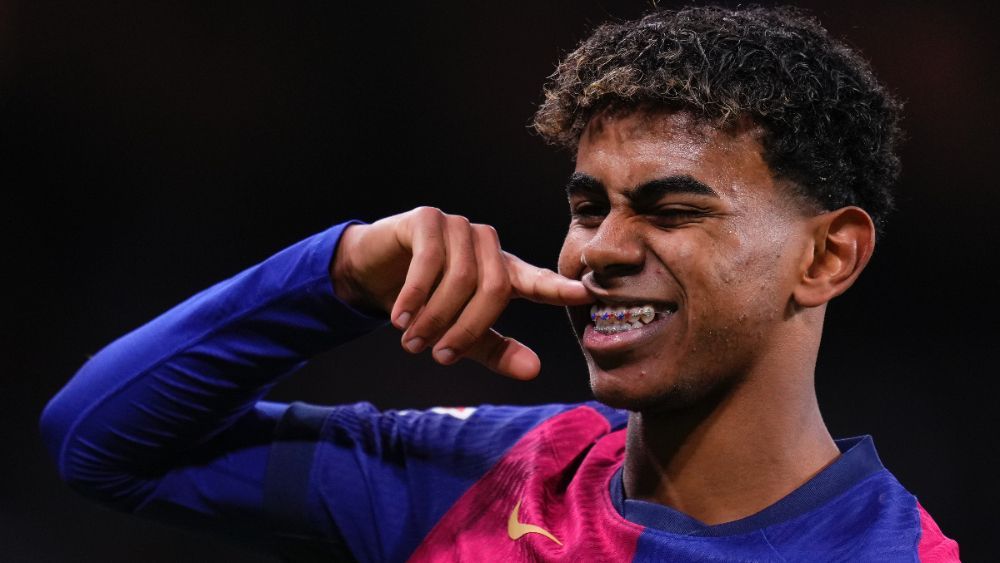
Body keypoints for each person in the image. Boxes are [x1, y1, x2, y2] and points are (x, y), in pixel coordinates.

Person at [40, 5, 960, 562]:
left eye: (673, 211)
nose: (598, 249)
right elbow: (99, 441)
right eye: (588, 206)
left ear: (827, 256)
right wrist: (336, 273)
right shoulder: (480, 477)